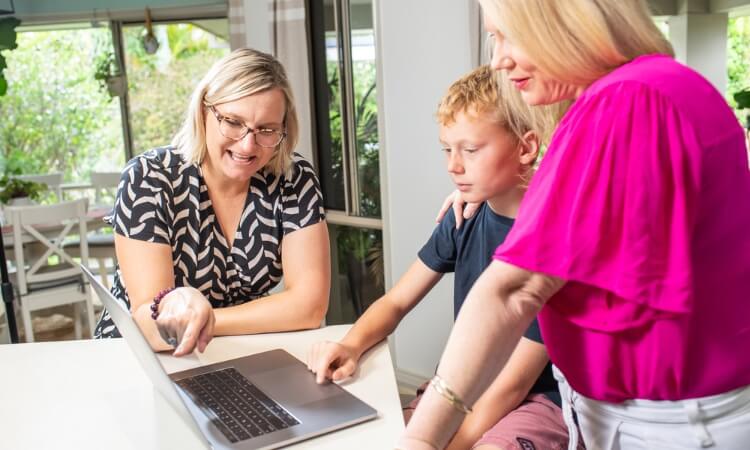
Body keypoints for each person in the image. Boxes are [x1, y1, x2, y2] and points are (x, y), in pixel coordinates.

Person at [398, 1, 750, 449]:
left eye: (511, 34)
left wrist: (422, 441)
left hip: (667, 425)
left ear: (565, 19)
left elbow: (516, 290)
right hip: (645, 414)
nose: (499, 59)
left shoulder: (628, 100)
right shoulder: (652, 90)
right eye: (494, 38)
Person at [308, 66, 576, 450]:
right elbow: (397, 301)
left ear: (526, 147)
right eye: (447, 149)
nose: (453, 165)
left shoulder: (554, 235)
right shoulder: (462, 217)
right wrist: (351, 344)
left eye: (470, 149)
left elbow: (512, 385)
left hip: (535, 401)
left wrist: (446, 445)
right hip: (463, 387)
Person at [93, 48, 330, 357]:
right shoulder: (149, 177)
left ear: (284, 130)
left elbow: (309, 307)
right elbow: (149, 324)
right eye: (233, 122)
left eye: (267, 129)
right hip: (138, 357)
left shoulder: (294, 179)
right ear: (204, 111)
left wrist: (208, 320)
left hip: (235, 350)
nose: (248, 145)